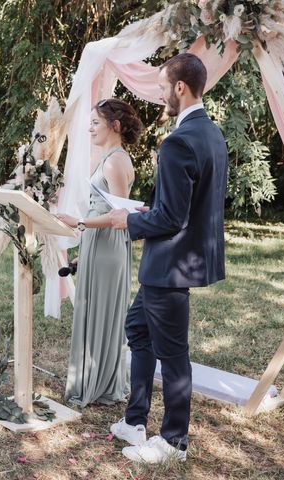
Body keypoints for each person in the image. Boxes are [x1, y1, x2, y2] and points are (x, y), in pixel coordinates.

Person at [108, 53, 228, 464]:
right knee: (137, 329)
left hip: (170, 266)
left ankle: (174, 440)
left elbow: (173, 217)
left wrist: (128, 220)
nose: (161, 96)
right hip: (179, 262)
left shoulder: (178, 141)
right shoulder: (211, 133)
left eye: (162, 88)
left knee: (174, 355)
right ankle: (135, 419)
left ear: (180, 87)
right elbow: (187, 204)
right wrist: (149, 208)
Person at [55, 98, 143, 407]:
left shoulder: (115, 161)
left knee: (102, 313)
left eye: (96, 122)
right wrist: (84, 251)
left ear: (114, 126)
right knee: (91, 310)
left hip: (108, 246)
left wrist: (77, 221)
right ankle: (90, 378)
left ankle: (100, 384)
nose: (90, 127)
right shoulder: (109, 157)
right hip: (96, 244)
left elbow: (120, 217)